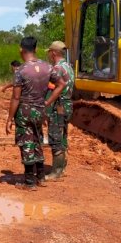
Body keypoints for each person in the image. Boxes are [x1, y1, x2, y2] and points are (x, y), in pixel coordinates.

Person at [5, 36, 66, 189]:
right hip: (40, 110)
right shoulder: (47, 67)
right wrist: (47, 102)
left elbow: (16, 97)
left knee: (26, 143)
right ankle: (40, 177)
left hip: (24, 111)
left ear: (21, 50)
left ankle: (29, 182)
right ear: (36, 49)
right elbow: (61, 84)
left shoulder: (21, 71)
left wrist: (9, 118)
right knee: (37, 140)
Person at [44, 40, 75, 179]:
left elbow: (54, 89)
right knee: (62, 136)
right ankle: (61, 168)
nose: (49, 55)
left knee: (55, 137)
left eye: (50, 52)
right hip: (67, 104)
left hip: (58, 106)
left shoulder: (56, 69)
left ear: (54, 53)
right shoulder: (68, 66)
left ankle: (56, 172)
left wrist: (46, 104)